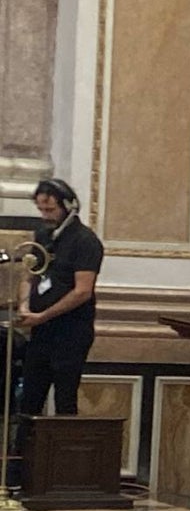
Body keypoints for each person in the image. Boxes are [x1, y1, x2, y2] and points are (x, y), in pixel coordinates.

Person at [17, 179, 104, 426]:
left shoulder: (85, 241)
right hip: (41, 332)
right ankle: (23, 458)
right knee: (30, 398)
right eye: (41, 209)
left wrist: (43, 315)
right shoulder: (43, 236)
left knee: (65, 398)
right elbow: (29, 273)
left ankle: (62, 460)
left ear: (68, 206)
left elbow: (82, 291)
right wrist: (25, 306)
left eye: (50, 209)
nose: (45, 215)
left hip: (71, 332)